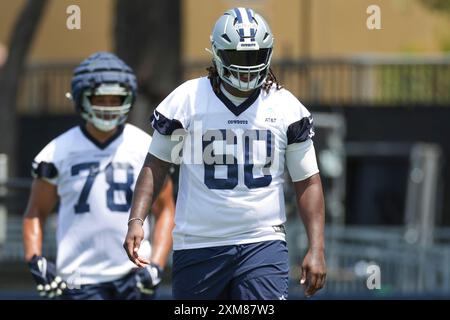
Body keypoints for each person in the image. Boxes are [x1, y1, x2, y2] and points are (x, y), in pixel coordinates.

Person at [124, 7, 326, 300]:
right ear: (218, 54)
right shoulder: (187, 101)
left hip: (262, 242)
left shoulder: (285, 107)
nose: (246, 67)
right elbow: (156, 165)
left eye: (254, 56)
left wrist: (317, 246)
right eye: (238, 57)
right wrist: (136, 220)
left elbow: (308, 180)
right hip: (198, 243)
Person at [22, 52, 175, 300]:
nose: (108, 106)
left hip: (134, 273)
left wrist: (157, 264)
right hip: (78, 277)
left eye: (116, 99)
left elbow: (166, 209)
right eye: (100, 98)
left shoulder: (145, 146)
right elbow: (35, 212)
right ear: (82, 99)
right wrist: (34, 258)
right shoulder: (56, 152)